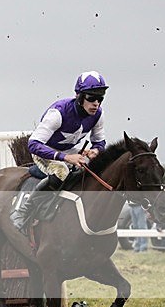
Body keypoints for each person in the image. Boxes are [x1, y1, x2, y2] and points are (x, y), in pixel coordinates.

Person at [11, 71, 108, 233]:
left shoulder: (98, 115)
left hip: (69, 151)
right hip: (44, 151)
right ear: (79, 97)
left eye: (100, 98)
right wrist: (66, 157)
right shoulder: (58, 113)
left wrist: (96, 151)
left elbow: (99, 141)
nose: (96, 103)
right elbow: (33, 144)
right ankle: (24, 210)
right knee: (61, 170)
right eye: (91, 98)